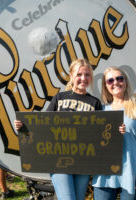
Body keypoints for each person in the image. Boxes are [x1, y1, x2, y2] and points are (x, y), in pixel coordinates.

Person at [14, 59, 103, 200]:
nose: (83, 78)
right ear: (71, 76)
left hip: (84, 163)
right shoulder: (59, 98)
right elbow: (42, 125)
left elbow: (101, 133)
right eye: (79, 74)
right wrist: (24, 126)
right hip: (59, 161)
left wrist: (117, 130)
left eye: (87, 75)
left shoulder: (95, 103)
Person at [92, 67, 136, 200]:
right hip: (105, 173)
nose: (116, 82)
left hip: (132, 170)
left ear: (125, 81)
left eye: (120, 78)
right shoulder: (101, 110)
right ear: (105, 86)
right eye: (110, 80)